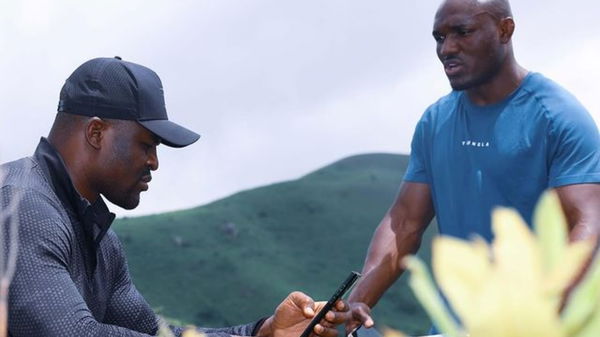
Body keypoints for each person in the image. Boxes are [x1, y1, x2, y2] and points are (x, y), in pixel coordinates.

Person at [0, 57, 351, 337]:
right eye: (146, 144)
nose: (153, 162)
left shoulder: (99, 239)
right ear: (96, 132)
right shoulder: (22, 205)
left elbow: (154, 333)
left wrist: (263, 333)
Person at [346, 0, 600, 334]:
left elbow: (587, 228)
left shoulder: (559, 117)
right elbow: (404, 224)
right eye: (439, 37)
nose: (447, 48)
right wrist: (357, 300)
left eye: (463, 32)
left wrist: (544, 321)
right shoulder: (435, 121)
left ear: (504, 30)